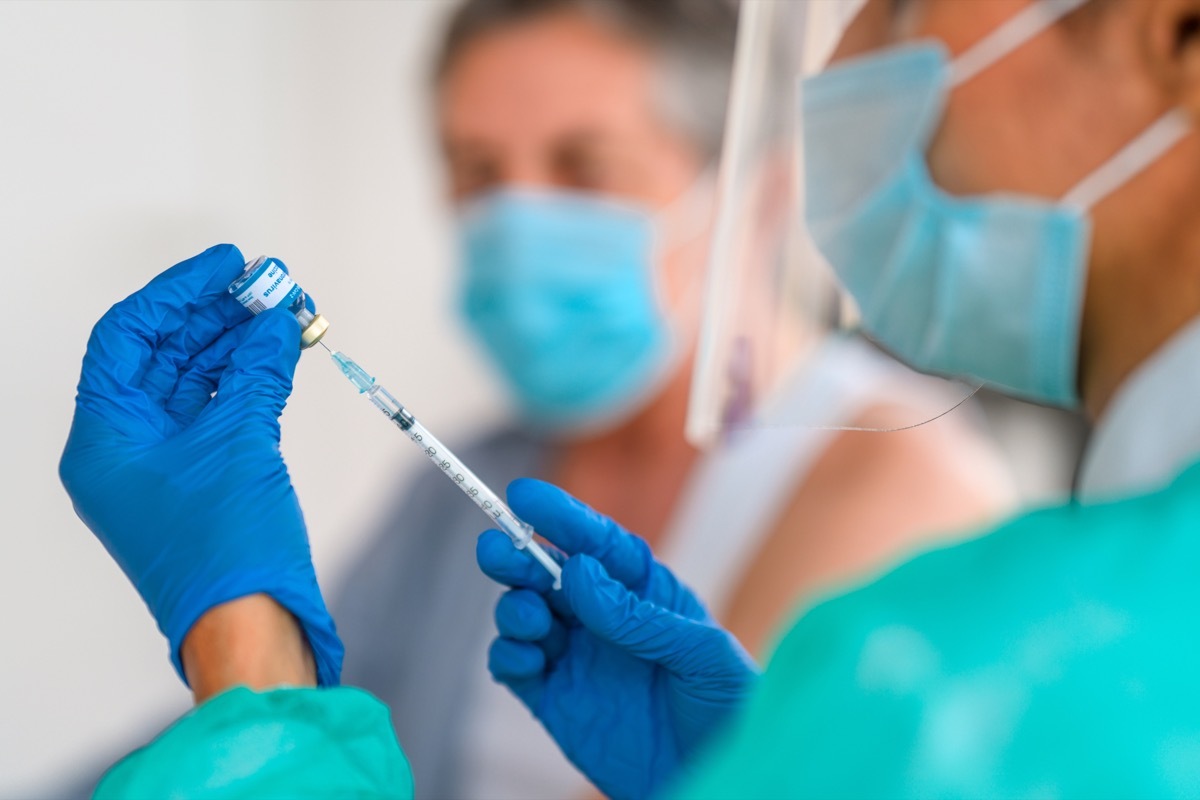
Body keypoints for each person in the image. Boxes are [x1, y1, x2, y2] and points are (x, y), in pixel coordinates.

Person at [56, 0, 1200, 797]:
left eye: (585, 166)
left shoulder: (948, 615)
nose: (854, 55)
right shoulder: (475, 470)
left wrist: (240, 638)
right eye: (476, 171)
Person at [334, 2, 1012, 795]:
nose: (517, 224)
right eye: (478, 172)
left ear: (755, 196)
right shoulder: (460, 481)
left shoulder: (894, 480)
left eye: (585, 167)